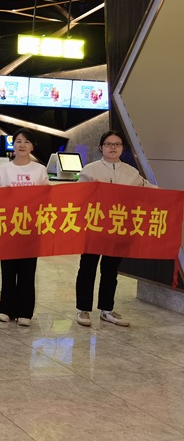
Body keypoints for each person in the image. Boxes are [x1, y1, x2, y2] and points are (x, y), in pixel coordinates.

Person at [75, 130, 157, 328]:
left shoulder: (131, 172)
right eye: (108, 144)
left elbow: (149, 190)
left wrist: (174, 196)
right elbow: (77, 196)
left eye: (117, 144)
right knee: (87, 268)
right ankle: (83, 309)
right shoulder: (90, 170)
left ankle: (107, 309)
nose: (113, 147)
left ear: (122, 148)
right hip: (94, 227)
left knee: (111, 270)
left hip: (118, 228)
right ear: (101, 148)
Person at [0, 128, 49, 326]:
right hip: (8, 226)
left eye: (26, 142)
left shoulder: (39, 170)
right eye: (18, 141)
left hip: (31, 227)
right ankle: (6, 308)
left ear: (32, 146)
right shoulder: (5, 169)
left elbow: (47, 197)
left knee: (27, 269)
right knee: (8, 269)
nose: (22, 145)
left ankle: (25, 311)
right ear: (13, 145)